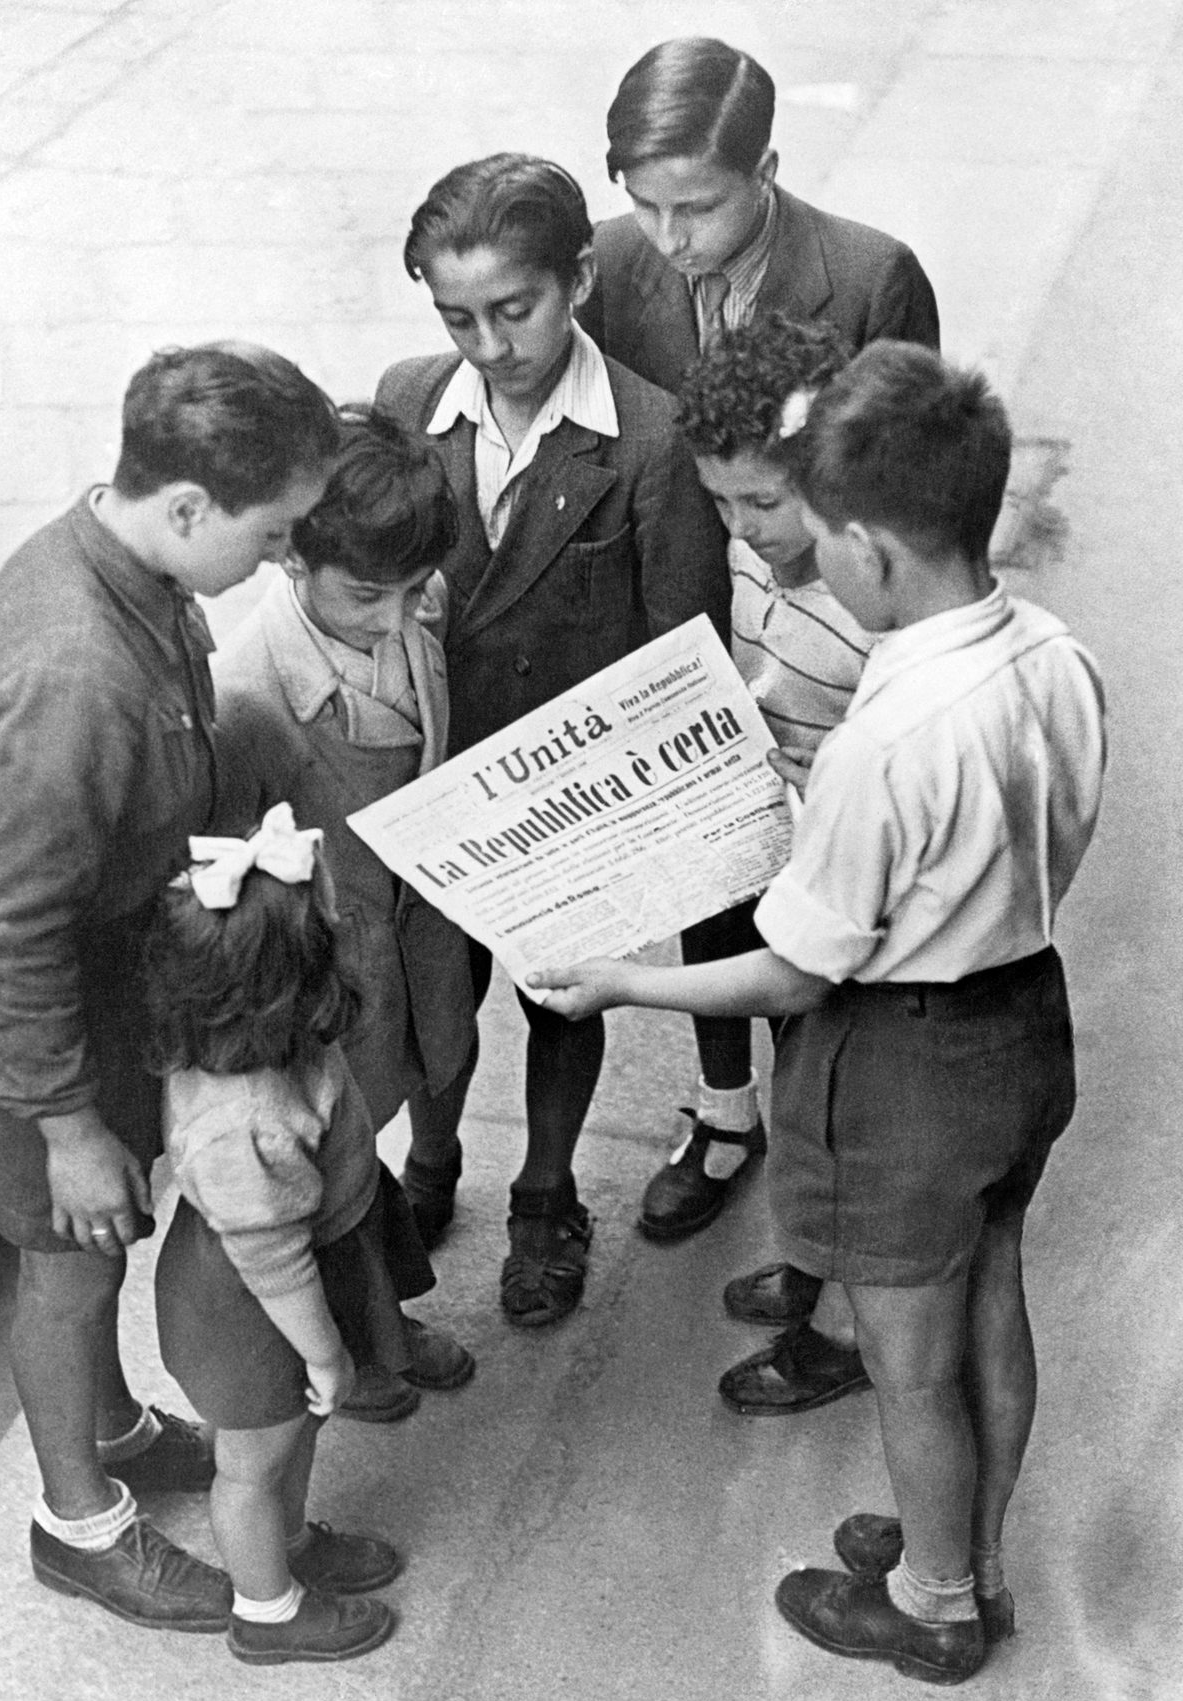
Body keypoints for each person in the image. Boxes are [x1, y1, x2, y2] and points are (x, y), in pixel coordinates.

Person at [534, 343, 1105, 1683]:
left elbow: (792, 975)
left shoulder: (883, 738)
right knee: (989, 1305)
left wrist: (620, 978)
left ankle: (932, 1603)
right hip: (1025, 1014)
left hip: (906, 1061)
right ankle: (974, 1549)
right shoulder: (1055, 653)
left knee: (906, 1362)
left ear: (867, 545)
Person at [0, 344, 336, 1632]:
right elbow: (0, 936)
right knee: (71, 1256)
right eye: (272, 536)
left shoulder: (129, 562)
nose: (279, 563)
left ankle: (116, 1425)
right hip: (23, 998)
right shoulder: (77, 676)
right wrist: (67, 1126)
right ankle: (80, 1524)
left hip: (85, 971)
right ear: (191, 507)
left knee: (88, 1246)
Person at [578, 36, 940, 1307]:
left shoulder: (872, 277)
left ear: (769, 170)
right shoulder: (611, 263)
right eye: (644, 201)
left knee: (827, 915)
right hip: (690, 607)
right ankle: (725, 1109)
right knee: (713, 869)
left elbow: (912, 476)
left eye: (702, 205)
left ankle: (821, 1160)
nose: (670, 238)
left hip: (821, 629)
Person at [374, 152, 727, 1330]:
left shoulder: (650, 440)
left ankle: (545, 1194)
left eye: (513, 312)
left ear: (578, 276)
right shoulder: (406, 398)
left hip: (575, 798)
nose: (486, 346)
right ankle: (432, 1165)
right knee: (436, 993)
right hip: (433, 781)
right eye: (456, 317)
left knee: (563, 1004)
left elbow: (683, 652)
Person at [212, 407, 476, 1422]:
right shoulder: (245, 693)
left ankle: (384, 1315)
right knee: (338, 1171)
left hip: (422, 928)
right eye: (369, 596)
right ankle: (366, 1342)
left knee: (434, 1073)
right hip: (334, 969)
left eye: (416, 593)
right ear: (292, 564)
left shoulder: (411, 595)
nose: (401, 620)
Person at [672, 311, 878, 1415]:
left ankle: (838, 1329)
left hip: (847, 895)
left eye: (763, 503)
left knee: (840, 1108)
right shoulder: (759, 566)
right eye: (720, 502)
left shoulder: (876, 598)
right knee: (801, 1099)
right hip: (764, 849)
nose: (742, 532)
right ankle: (811, 1261)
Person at [147, 804, 406, 1664]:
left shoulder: (251, 1045)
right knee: (251, 1462)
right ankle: (267, 1610)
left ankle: (289, 1544)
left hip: (284, 1275)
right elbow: (269, 1255)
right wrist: (328, 1352)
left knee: (294, 1431)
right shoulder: (244, 1119)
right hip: (253, 1302)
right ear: (291, 984)